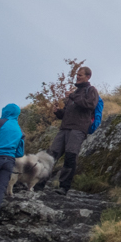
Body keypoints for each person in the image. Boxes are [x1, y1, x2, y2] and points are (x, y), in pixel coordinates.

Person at [43, 65, 99, 195]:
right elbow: (67, 114)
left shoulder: (91, 90)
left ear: (87, 76)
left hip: (78, 129)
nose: (77, 77)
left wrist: (73, 97)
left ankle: (64, 187)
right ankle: (39, 183)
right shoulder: (75, 93)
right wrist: (58, 112)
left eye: (80, 75)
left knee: (70, 156)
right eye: (77, 75)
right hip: (64, 128)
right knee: (51, 155)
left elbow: (90, 105)